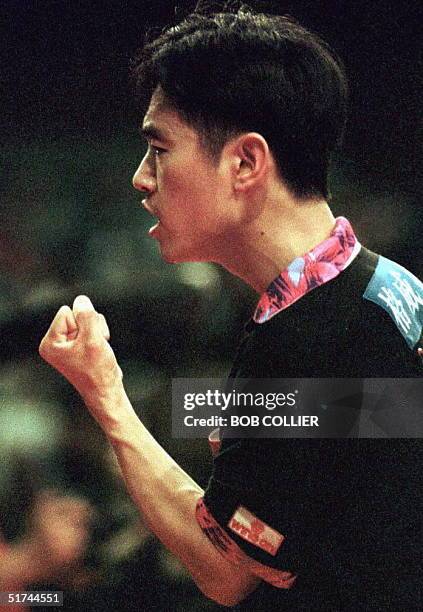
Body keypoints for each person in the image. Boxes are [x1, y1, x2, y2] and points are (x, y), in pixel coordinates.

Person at [39, 8, 422, 610]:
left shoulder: (315, 340)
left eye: (159, 149)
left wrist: (103, 392)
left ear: (245, 163)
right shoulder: (385, 287)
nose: (142, 179)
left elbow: (228, 573)